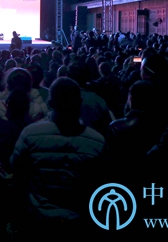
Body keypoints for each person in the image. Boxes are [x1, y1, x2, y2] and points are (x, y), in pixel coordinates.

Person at [10, 77, 106, 239]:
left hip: (38, 215)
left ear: (50, 103)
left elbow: (16, 167)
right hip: (77, 219)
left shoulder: (30, 134)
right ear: (79, 102)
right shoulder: (97, 141)